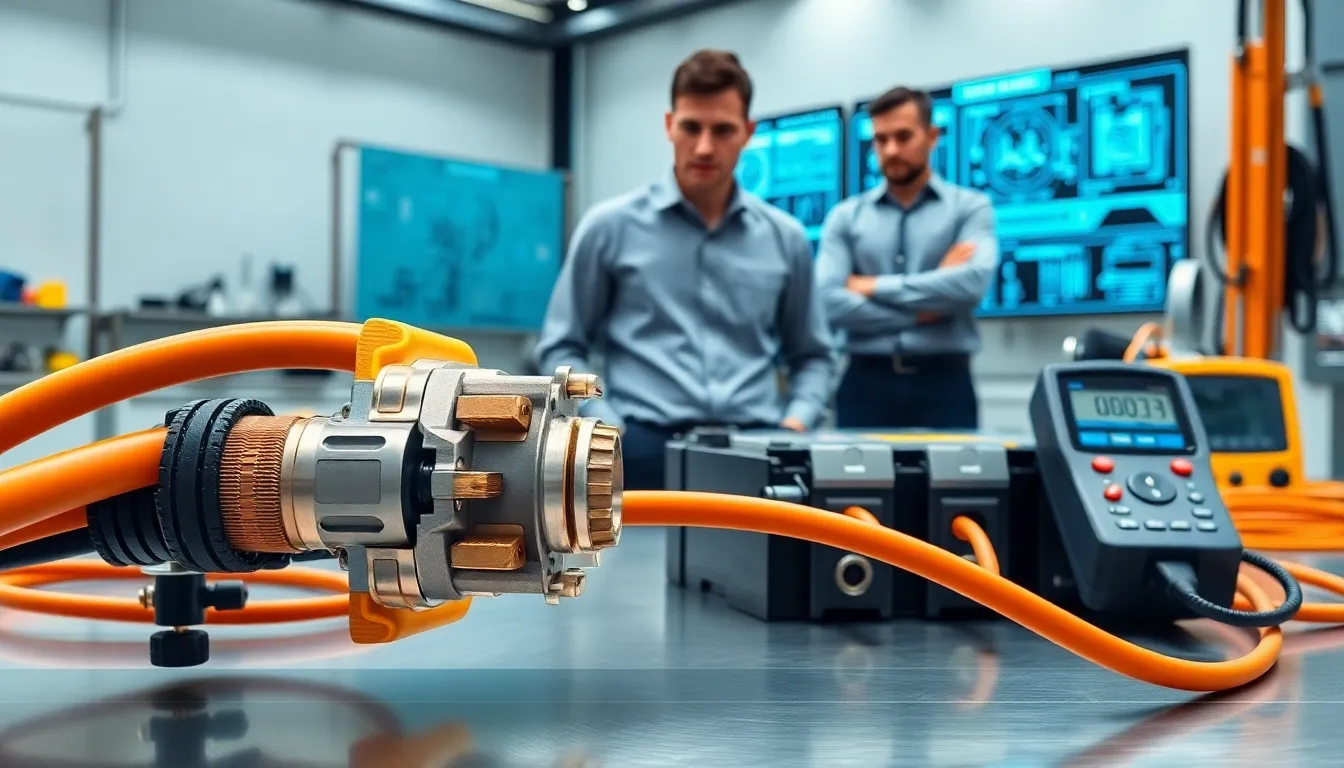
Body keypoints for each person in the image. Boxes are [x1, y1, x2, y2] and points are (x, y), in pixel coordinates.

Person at [534, 49, 836, 490]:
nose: (705, 146)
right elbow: (562, 347)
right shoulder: (609, 227)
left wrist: (795, 424)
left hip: (757, 451)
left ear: (748, 133)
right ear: (669, 125)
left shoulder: (785, 238)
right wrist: (608, 430)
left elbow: (813, 356)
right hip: (639, 452)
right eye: (691, 127)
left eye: (723, 129)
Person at [815, 85, 999, 430]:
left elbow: (970, 285)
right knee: (855, 485)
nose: (891, 150)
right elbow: (827, 300)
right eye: (881, 140)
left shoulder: (970, 208)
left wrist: (869, 286)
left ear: (931, 136)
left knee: (953, 485)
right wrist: (924, 311)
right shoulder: (845, 217)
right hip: (864, 383)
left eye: (903, 136)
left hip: (945, 384)